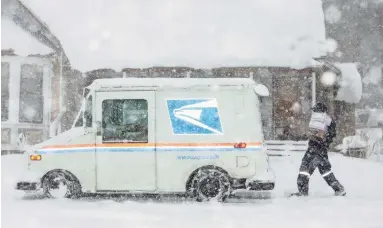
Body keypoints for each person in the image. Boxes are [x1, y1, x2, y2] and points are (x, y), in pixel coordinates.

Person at [291, 102, 346, 197]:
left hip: (314, 149)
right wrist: (325, 142)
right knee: (325, 170)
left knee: (304, 169)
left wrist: (315, 139)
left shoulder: (316, 119)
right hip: (322, 150)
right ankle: (338, 188)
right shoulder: (328, 120)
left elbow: (312, 133)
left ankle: (302, 192)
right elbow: (331, 134)